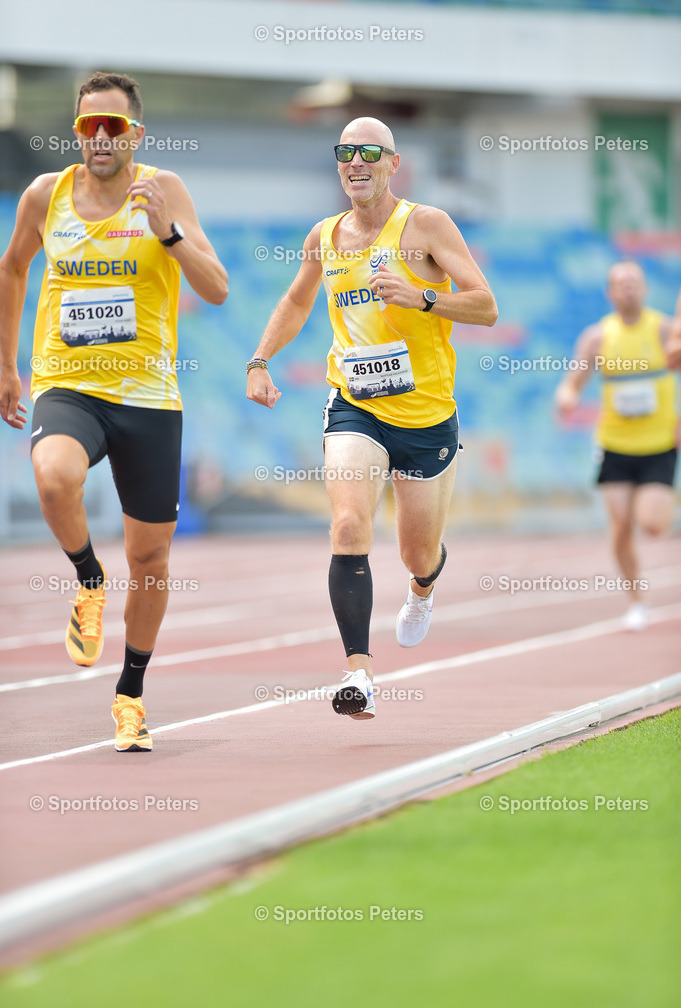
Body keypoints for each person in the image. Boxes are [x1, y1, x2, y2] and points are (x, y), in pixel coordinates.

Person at [0, 72, 228, 750]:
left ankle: (130, 693)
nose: (101, 138)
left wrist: (171, 234)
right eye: (88, 126)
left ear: (136, 134)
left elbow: (214, 288)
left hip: (148, 399)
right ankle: (88, 580)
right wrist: (6, 365)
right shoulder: (47, 195)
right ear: (77, 132)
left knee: (152, 557)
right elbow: (12, 268)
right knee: (53, 476)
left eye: (114, 127)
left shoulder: (163, 192)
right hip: (68, 385)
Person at [247, 117, 497, 721]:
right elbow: (298, 299)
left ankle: (424, 586)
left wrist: (423, 296)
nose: (355, 163)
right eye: (345, 153)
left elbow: (486, 307)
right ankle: (359, 672)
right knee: (349, 526)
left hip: (426, 417)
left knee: (416, 551)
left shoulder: (426, 226)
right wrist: (259, 360)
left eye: (368, 153)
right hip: (355, 405)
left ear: (392, 162)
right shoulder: (325, 236)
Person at [555, 261, 678, 631]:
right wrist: (566, 399)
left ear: (645, 289)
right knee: (621, 525)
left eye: (635, 283)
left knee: (652, 524)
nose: (628, 289)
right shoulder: (598, 337)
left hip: (658, 444)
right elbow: (571, 383)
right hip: (615, 445)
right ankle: (637, 600)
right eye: (621, 284)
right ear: (610, 293)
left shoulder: (665, 330)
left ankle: (655, 510)